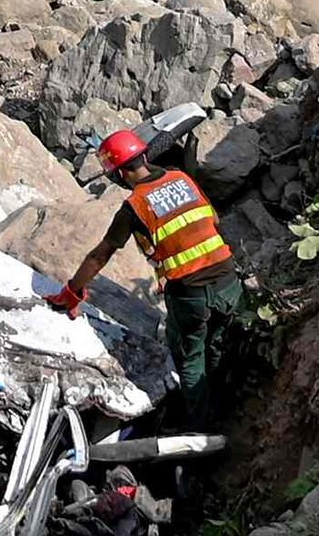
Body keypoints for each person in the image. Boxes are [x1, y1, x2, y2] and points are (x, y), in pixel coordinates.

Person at [55, 123, 246, 428]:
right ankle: (229, 406)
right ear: (143, 157)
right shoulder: (181, 178)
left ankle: (200, 427)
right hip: (228, 282)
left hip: (190, 294)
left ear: (118, 173)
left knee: (189, 356)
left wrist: (72, 292)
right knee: (219, 344)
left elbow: (99, 255)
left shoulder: (133, 207)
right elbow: (214, 218)